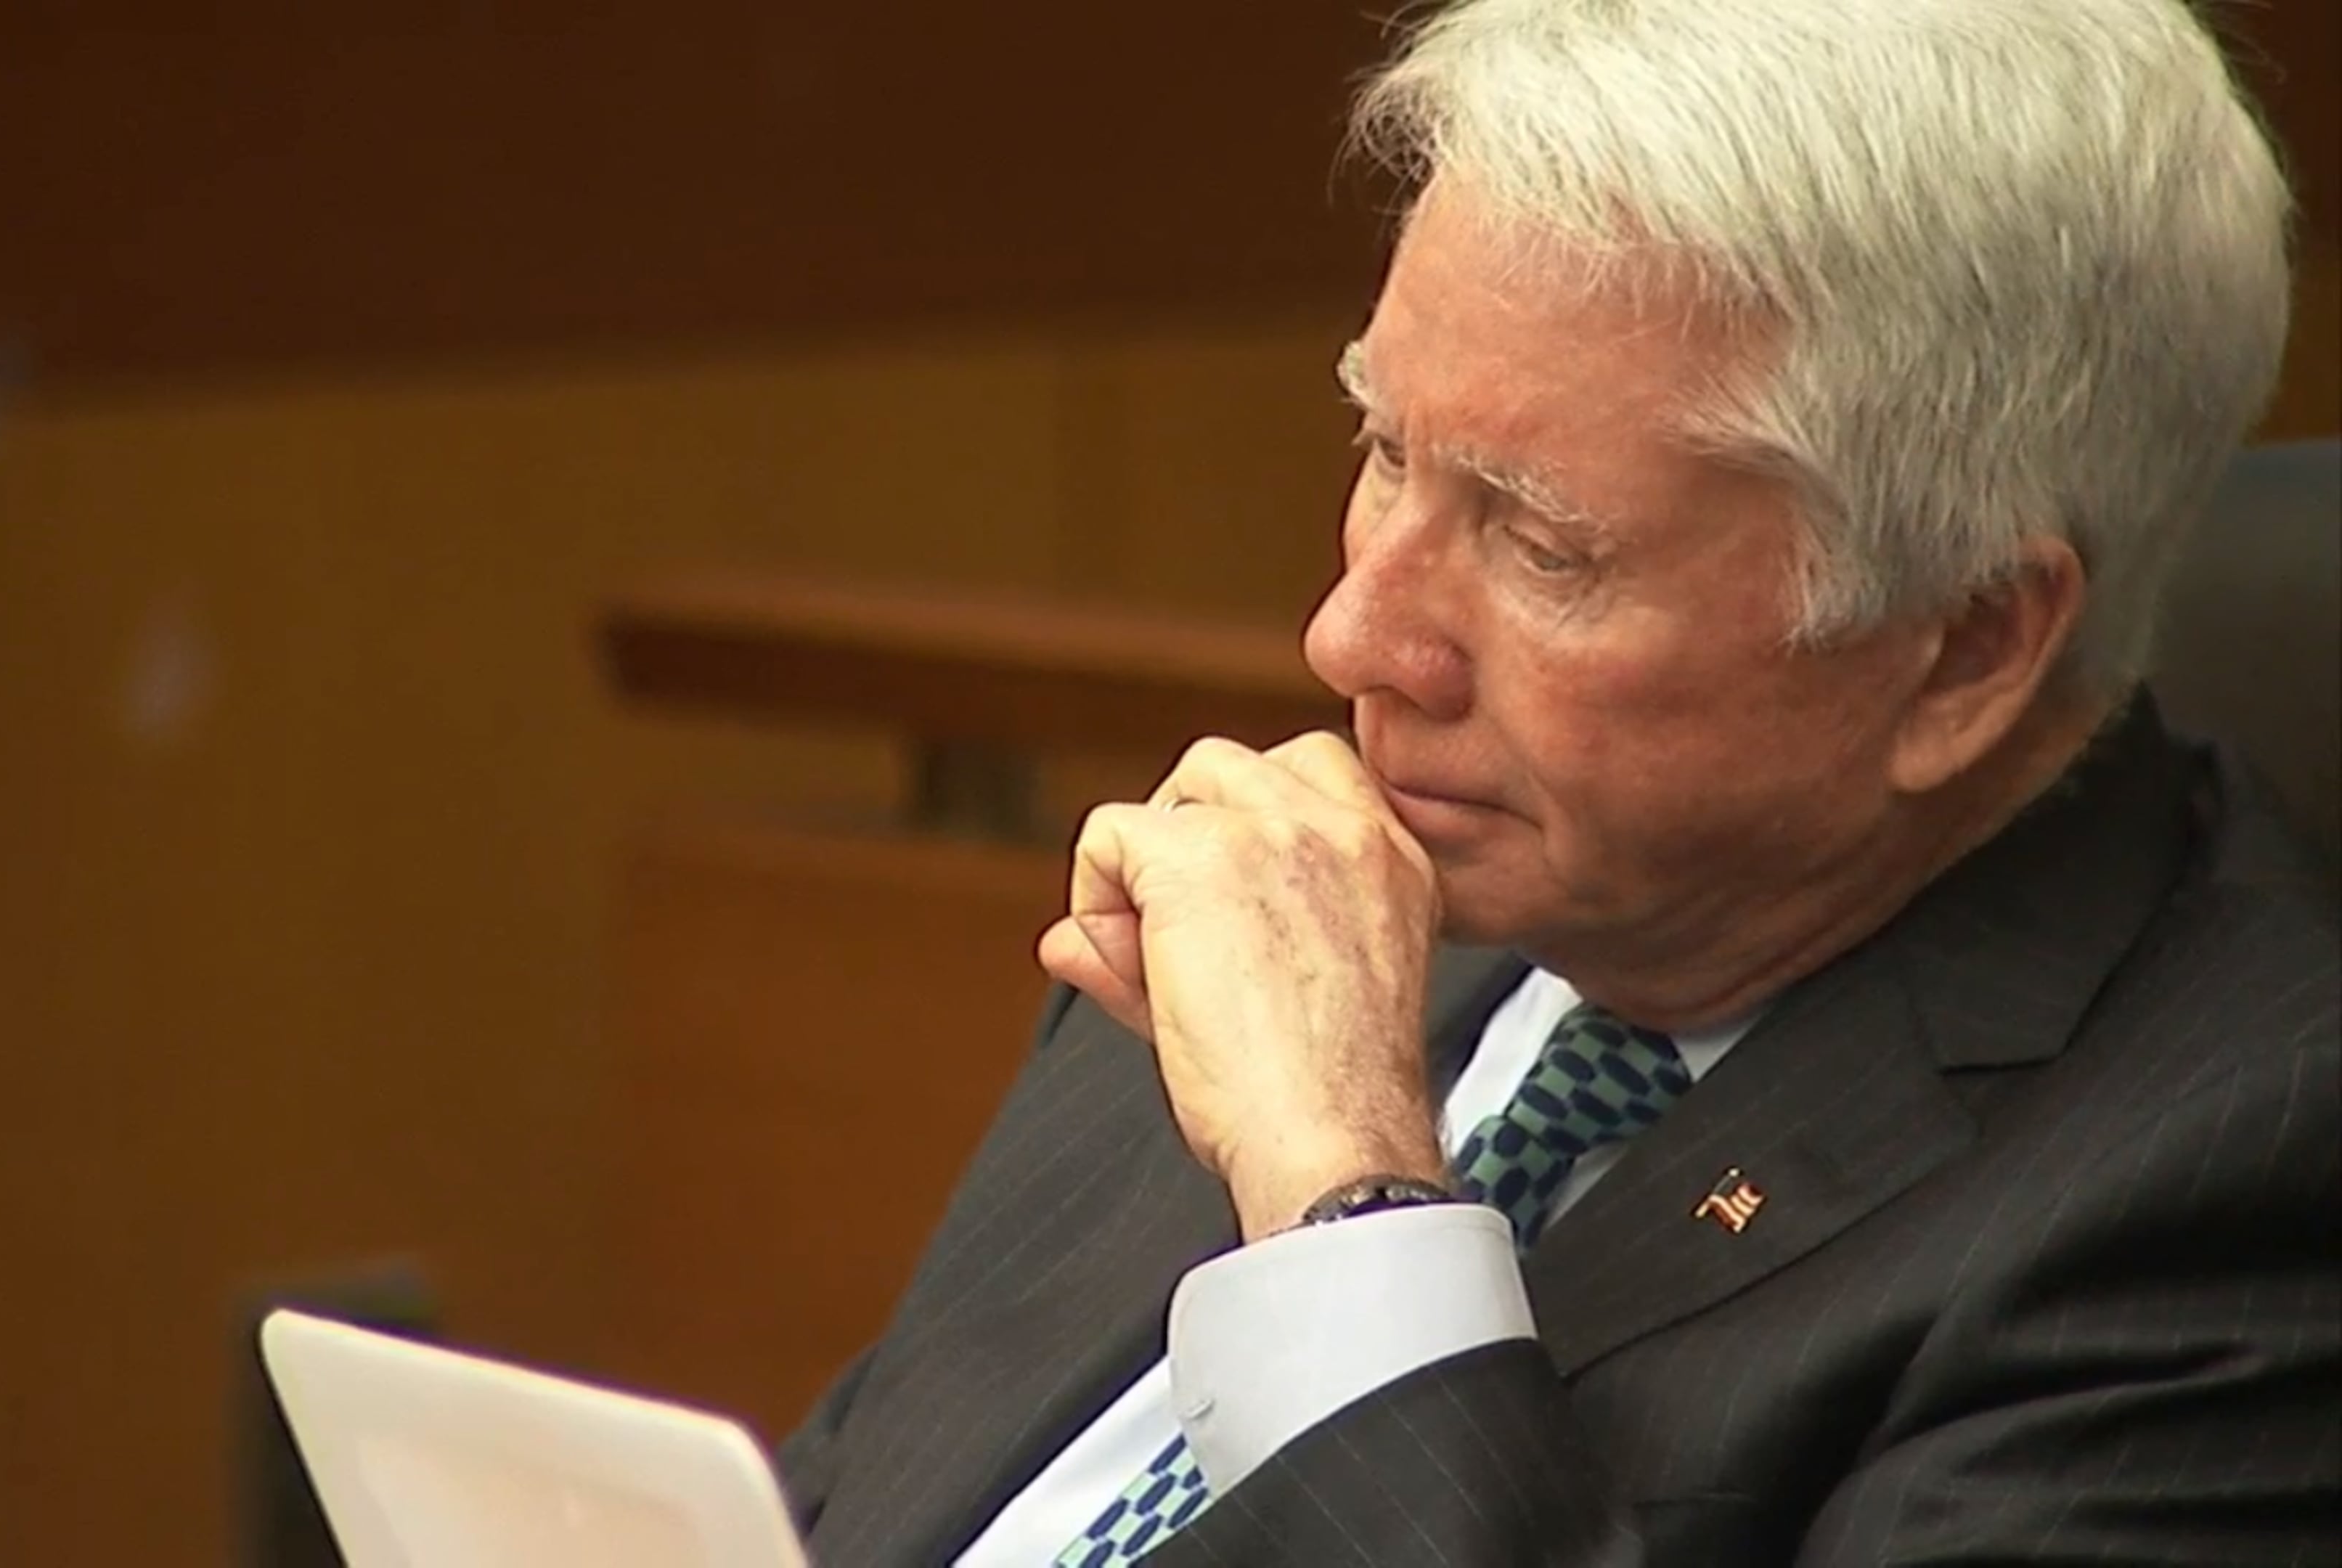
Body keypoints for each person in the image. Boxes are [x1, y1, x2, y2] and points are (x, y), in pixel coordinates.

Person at [772, 1, 2339, 1564]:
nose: (1351, 637)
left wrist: (1345, 1200)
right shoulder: (1320, 907)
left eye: (1542, 546)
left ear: (1965, 647)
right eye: (1386, 450)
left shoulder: (2232, 1201)